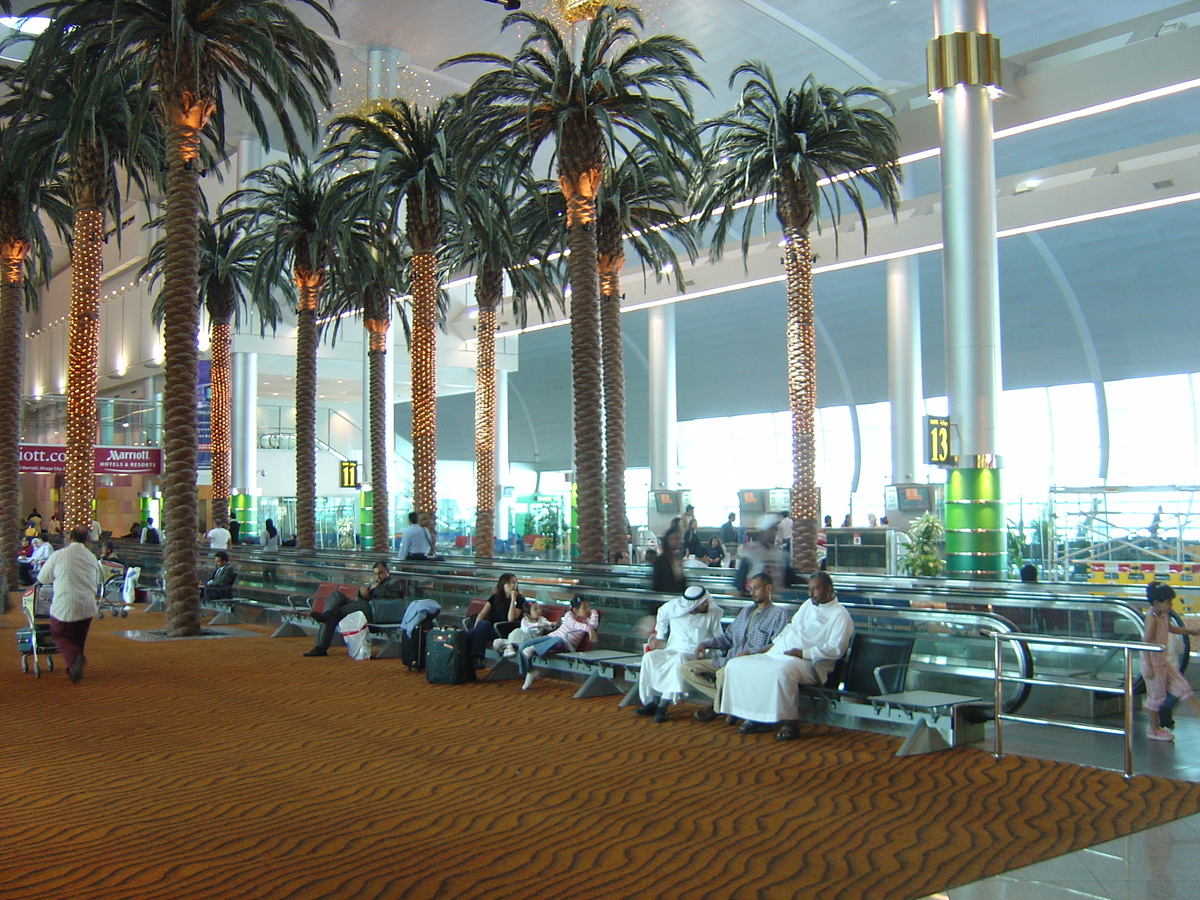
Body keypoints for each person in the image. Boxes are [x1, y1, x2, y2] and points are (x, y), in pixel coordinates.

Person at [719, 572, 854, 740]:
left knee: (781, 671)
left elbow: (836, 649)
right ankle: (753, 715)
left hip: (809, 662)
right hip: (780, 652)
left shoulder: (840, 615)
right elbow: (791, 628)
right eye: (809, 589)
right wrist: (773, 647)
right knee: (736, 664)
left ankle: (790, 722)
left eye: (815, 589)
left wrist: (803, 653)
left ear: (828, 589)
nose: (810, 593)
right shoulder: (807, 605)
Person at [682, 572, 792, 724]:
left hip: (751, 663)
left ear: (768, 588)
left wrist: (750, 652)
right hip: (729, 659)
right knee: (686, 669)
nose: (752, 592)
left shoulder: (779, 614)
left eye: (756, 588)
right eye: (750, 588)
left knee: (722, 674)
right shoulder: (745, 612)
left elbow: (777, 645)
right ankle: (729, 704)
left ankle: (718, 706)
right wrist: (705, 644)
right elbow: (728, 638)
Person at [634, 585, 725, 723]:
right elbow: (662, 615)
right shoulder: (673, 607)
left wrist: (720, 654)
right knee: (650, 657)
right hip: (673, 648)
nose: (707, 603)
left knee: (679, 659)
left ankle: (663, 706)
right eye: (703, 602)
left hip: (695, 653)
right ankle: (653, 701)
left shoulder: (712, 613)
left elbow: (719, 637)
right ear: (693, 605)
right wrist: (660, 636)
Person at [36, 528, 101, 684]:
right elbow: (97, 579)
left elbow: (43, 578)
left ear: (70, 538)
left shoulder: (59, 555)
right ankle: (72, 669)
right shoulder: (91, 557)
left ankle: (75, 658)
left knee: (58, 634)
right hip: (87, 604)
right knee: (78, 639)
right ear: (87, 540)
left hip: (65, 603)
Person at [303, 560, 405, 657]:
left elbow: (392, 600)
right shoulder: (377, 582)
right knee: (336, 595)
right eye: (376, 574)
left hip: (373, 611)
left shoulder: (394, 583)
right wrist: (361, 592)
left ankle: (321, 646)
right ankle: (328, 614)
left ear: (387, 571)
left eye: (381, 573)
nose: (378, 576)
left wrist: (375, 589)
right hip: (364, 605)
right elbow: (363, 595)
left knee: (336, 613)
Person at [1141, 581, 1200, 742]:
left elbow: (1171, 628)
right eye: (1168, 602)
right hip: (1153, 663)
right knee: (1156, 697)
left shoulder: (1163, 616)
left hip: (1163, 661)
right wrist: (1147, 666)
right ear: (1156, 603)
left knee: (1183, 688)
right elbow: (1145, 643)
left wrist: (1191, 632)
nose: (1170, 605)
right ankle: (1153, 729)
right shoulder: (1152, 619)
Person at [517, 596, 600, 690]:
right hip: (552, 637)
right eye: (584, 607)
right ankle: (530, 671)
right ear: (575, 610)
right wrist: (588, 628)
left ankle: (533, 649)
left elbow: (593, 625)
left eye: (588, 607)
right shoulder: (569, 615)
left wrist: (594, 612)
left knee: (559, 640)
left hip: (565, 645)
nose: (588, 609)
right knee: (523, 645)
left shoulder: (586, 621)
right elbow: (574, 624)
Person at [466, 573, 525, 666]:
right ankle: (476, 659)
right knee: (476, 629)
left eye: (514, 582)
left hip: (503, 631)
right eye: (509, 583)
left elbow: (511, 618)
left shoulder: (520, 600)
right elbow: (482, 613)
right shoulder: (495, 598)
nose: (513, 585)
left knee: (470, 634)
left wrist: (513, 600)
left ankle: (474, 659)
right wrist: (476, 628)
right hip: (489, 629)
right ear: (502, 585)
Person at [734, 514, 791, 596]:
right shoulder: (751, 551)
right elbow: (740, 579)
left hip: (775, 598)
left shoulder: (780, 554)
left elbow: (788, 577)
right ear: (763, 532)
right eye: (770, 529)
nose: (773, 532)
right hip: (756, 598)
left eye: (774, 529)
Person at [651, 527, 687, 594]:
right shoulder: (660, 560)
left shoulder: (677, 557)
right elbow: (657, 582)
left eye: (679, 538)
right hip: (665, 597)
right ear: (667, 540)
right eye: (675, 538)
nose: (678, 541)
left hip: (677, 596)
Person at [261, 518, 281, 585]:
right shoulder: (277, 532)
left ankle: (266, 584)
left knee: (265, 569)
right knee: (273, 569)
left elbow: (263, 543)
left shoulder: (265, 533)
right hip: (275, 552)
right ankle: (274, 583)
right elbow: (280, 543)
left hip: (266, 553)